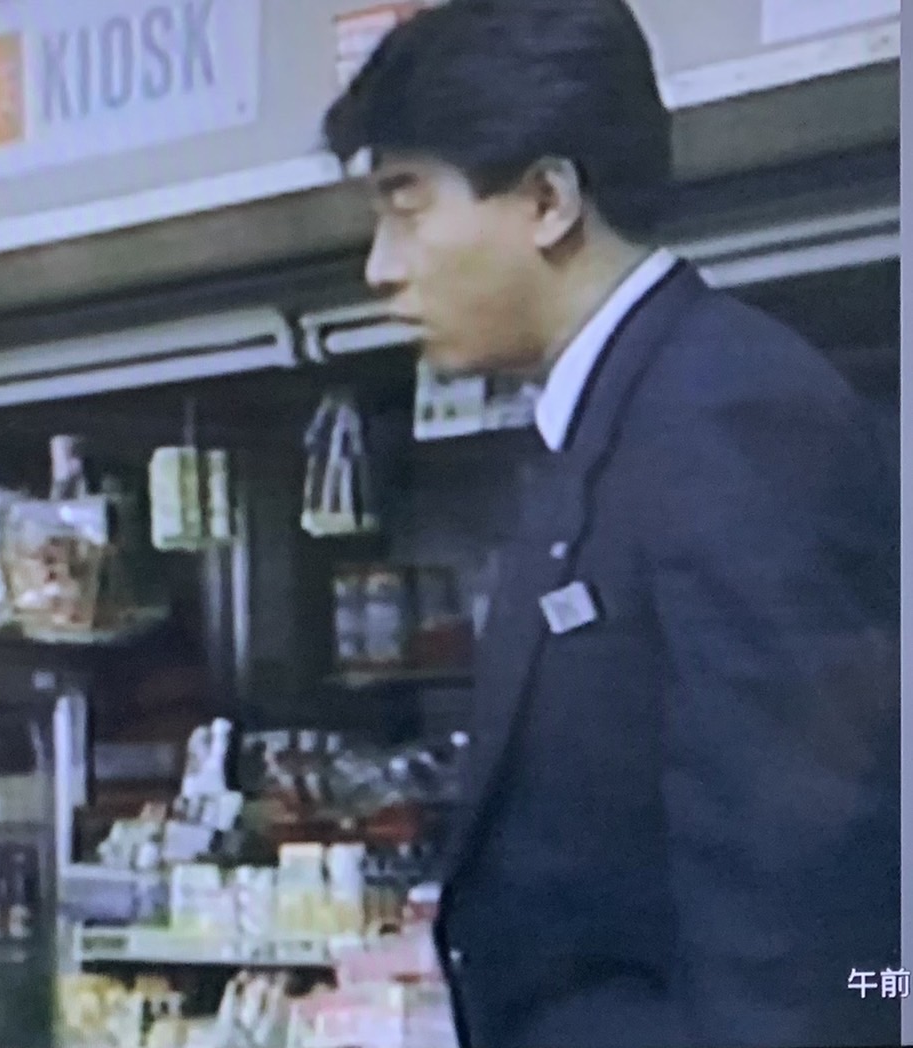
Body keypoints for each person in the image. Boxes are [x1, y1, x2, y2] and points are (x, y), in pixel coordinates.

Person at [322, 2, 899, 1047]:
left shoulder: (724, 411)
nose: (379, 267)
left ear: (547, 200)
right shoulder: (610, 422)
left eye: (406, 207)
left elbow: (802, 904)